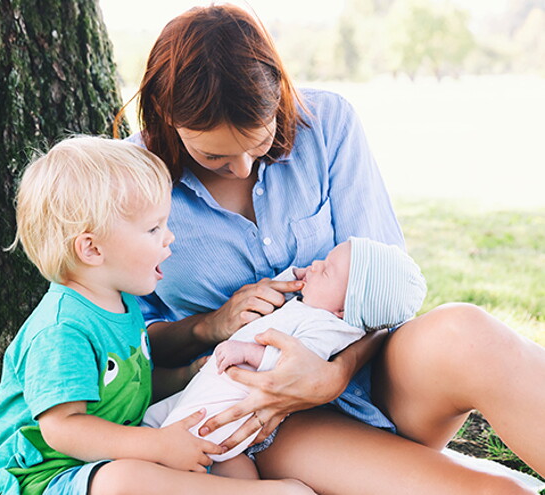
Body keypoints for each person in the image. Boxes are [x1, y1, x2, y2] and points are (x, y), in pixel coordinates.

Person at [120, 4, 545, 493]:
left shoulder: (326, 124)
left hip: (377, 368)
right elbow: (124, 349)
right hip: (271, 412)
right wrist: (209, 325)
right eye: (213, 155)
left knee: (468, 332)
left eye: (257, 145)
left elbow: (387, 283)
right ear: (167, 116)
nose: (240, 168)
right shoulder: (130, 181)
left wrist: (334, 373)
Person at [0, 136, 314, 495]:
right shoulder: (63, 329)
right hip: (49, 477)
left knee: (214, 443)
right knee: (123, 482)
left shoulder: (120, 303)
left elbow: (129, 387)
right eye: (153, 228)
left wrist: (188, 376)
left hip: (119, 449)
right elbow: (63, 429)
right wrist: (158, 446)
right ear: (92, 249)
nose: (169, 238)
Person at [144, 237, 427, 476]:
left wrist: (247, 352)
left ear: (344, 311)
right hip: (208, 387)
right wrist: (297, 276)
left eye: (326, 271)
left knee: (190, 436)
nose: (315, 265)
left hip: (232, 402)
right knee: (159, 420)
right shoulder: (314, 305)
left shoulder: (328, 327)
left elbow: (289, 365)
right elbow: (290, 289)